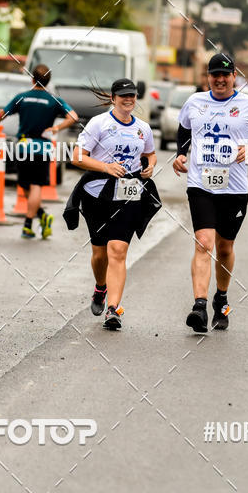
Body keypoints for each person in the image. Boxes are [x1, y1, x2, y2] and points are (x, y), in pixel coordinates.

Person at [173, 53, 248, 333]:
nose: (220, 79)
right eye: (214, 74)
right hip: (200, 184)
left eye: (225, 75)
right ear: (208, 77)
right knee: (204, 242)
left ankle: (222, 297)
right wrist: (181, 154)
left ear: (234, 77)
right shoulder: (195, 102)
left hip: (235, 187)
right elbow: (183, 131)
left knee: (225, 247)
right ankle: (199, 306)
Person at [65, 78, 159, 330]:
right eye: (123, 95)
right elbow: (77, 156)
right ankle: (100, 287)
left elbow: (149, 153)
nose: (128, 99)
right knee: (99, 253)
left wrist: (150, 166)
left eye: (132, 95)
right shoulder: (99, 124)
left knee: (117, 250)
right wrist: (105, 166)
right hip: (98, 195)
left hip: (129, 195)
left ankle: (114, 309)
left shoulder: (143, 128)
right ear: (113, 98)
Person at [0, 65, 78, 239]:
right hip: (42, 147)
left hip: (23, 145)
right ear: (48, 81)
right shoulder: (53, 100)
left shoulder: (22, 97)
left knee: (25, 185)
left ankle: (29, 224)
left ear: (32, 79)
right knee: (35, 186)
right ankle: (40, 216)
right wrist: (57, 127)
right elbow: (73, 117)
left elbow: (1, 114)